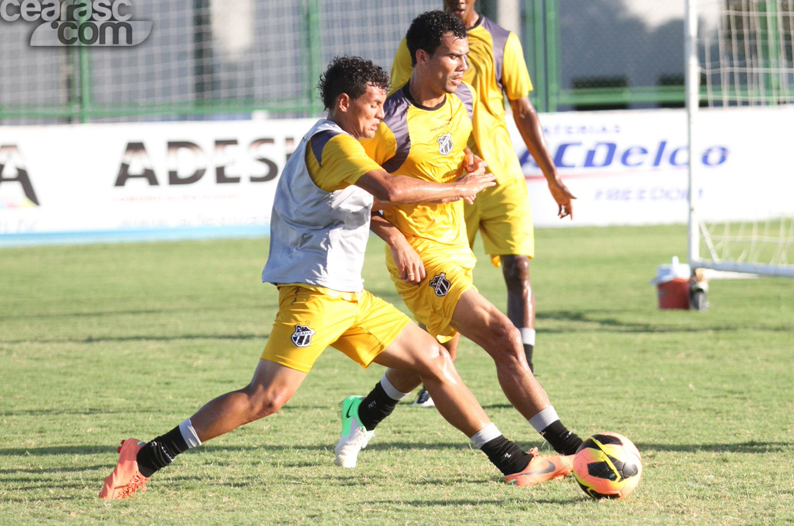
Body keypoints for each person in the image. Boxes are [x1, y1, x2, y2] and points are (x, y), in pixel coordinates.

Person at [99, 55, 572, 499]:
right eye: (372, 107)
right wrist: (458, 188)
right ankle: (142, 458)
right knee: (265, 398)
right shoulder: (333, 143)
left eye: (384, 108)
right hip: (313, 294)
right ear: (344, 103)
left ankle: (511, 461)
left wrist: (400, 232)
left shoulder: (349, 144)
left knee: (433, 358)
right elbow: (390, 189)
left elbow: (374, 204)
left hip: (348, 296)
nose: (380, 118)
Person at [334, 11, 583, 472]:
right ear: (423, 57)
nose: (464, 66)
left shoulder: (463, 97)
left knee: (426, 353)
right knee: (503, 335)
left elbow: (451, 150)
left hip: (455, 246)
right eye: (454, 56)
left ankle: (364, 413)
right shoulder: (387, 120)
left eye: (467, 56)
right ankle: (570, 445)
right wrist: (395, 240)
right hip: (421, 257)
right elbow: (352, 193)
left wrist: (469, 165)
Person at [392, 0, 576, 404]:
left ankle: (524, 366)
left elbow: (523, 109)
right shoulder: (417, 43)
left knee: (519, 269)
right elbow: (397, 112)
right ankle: (434, 370)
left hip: (501, 176)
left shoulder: (502, 41)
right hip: (444, 185)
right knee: (452, 289)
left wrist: (552, 176)